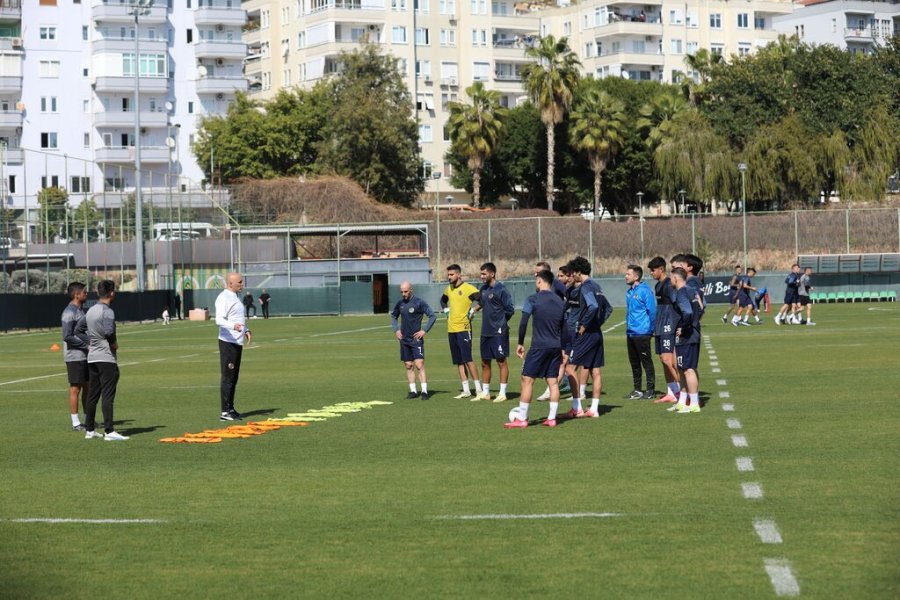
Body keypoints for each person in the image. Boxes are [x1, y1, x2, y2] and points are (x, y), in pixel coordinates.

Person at [505, 270, 567, 429]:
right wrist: (564, 349)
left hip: (539, 346)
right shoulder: (560, 302)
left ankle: (522, 419)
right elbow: (565, 327)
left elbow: (524, 322)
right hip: (556, 346)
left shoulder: (532, 299)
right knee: (553, 382)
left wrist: (520, 343)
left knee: (527, 380)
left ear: (540, 281)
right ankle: (552, 418)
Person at [565, 256, 613, 419]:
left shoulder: (586, 287)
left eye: (573, 272)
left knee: (570, 368)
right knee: (595, 371)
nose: (572, 275)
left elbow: (593, 306)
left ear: (578, 272)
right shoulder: (596, 286)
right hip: (596, 334)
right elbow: (608, 308)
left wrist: (585, 325)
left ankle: (576, 407)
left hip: (585, 335)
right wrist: (596, 324)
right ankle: (594, 409)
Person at [84, 280, 129, 440]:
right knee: (108, 395)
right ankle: (109, 431)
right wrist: (114, 343)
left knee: (92, 395)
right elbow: (109, 331)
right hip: (105, 356)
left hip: (92, 357)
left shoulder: (90, 311)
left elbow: (83, 331)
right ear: (111, 293)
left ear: (98, 293)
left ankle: (89, 430)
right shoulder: (108, 311)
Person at [469, 262, 515, 402]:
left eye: (484, 274)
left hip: (498, 331)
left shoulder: (501, 289)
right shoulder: (483, 289)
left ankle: (502, 393)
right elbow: (483, 303)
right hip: (486, 331)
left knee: (501, 361)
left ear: (492, 274)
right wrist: (474, 310)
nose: (481, 276)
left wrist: (501, 323)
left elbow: (510, 310)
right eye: (481, 274)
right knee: (484, 362)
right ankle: (486, 393)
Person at [440, 264, 482, 399]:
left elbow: (482, 300)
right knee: (458, 361)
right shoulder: (449, 288)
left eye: (451, 274)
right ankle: (466, 390)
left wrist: (473, 310)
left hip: (464, 328)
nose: (449, 277)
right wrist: (446, 309)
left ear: (459, 275)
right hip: (451, 329)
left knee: (468, 359)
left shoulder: (468, 288)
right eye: (448, 275)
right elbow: (443, 300)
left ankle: (479, 389)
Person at [391, 281, 437, 400]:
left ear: (411, 290)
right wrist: (396, 330)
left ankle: (425, 391)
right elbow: (393, 316)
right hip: (404, 340)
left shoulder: (419, 302)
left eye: (405, 291)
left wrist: (424, 330)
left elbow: (432, 315)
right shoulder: (400, 303)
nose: (403, 294)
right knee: (408, 365)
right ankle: (413, 391)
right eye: (401, 292)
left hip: (416, 339)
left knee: (419, 364)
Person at [216, 272, 252, 421]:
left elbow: (237, 318)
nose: (242, 285)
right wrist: (234, 326)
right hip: (227, 342)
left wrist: (246, 329)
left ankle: (230, 408)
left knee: (234, 377)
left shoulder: (234, 297)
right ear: (230, 284)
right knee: (228, 377)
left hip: (237, 341)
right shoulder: (223, 298)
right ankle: (225, 412)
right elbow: (219, 319)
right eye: (239, 282)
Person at [668, 268, 702, 414]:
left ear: (676, 278)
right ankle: (682, 402)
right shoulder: (692, 290)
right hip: (692, 333)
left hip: (686, 336)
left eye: (671, 278)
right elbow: (700, 308)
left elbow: (687, 312)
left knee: (688, 369)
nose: (670, 281)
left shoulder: (682, 292)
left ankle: (694, 404)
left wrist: (684, 326)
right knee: (682, 369)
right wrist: (695, 323)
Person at [648, 257, 680, 404]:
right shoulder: (657, 286)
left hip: (668, 325)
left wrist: (677, 325)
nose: (651, 273)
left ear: (661, 269)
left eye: (653, 270)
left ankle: (682, 391)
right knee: (663, 360)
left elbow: (676, 304)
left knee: (669, 361)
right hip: (660, 325)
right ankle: (671, 392)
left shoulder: (669, 285)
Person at [624, 264, 657, 399]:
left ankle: (650, 390)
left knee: (646, 362)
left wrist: (651, 329)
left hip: (642, 332)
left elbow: (652, 311)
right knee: (634, 363)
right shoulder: (629, 292)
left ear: (636, 276)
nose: (625, 277)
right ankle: (637, 389)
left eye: (628, 274)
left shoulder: (645, 290)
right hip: (630, 332)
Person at [61, 282, 90, 431]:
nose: (87, 294)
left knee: (87, 387)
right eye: (84, 292)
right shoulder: (69, 312)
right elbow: (67, 336)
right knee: (75, 388)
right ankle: (76, 423)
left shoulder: (80, 310)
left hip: (84, 356)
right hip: (75, 356)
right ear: (76, 294)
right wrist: (86, 346)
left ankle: (88, 419)